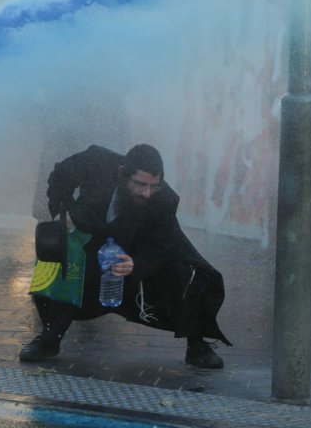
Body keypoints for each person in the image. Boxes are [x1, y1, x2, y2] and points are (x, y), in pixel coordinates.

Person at [20, 144, 231, 369]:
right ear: (122, 173)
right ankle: (49, 340)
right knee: (60, 254)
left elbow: (161, 249)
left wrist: (136, 264)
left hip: (136, 252)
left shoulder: (164, 200)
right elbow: (59, 176)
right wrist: (64, 211)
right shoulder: (97, 161)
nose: (147, 193)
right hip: (92, 235)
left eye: (153, 186)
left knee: (189, 271)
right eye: (140, 184)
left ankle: (197, 344)